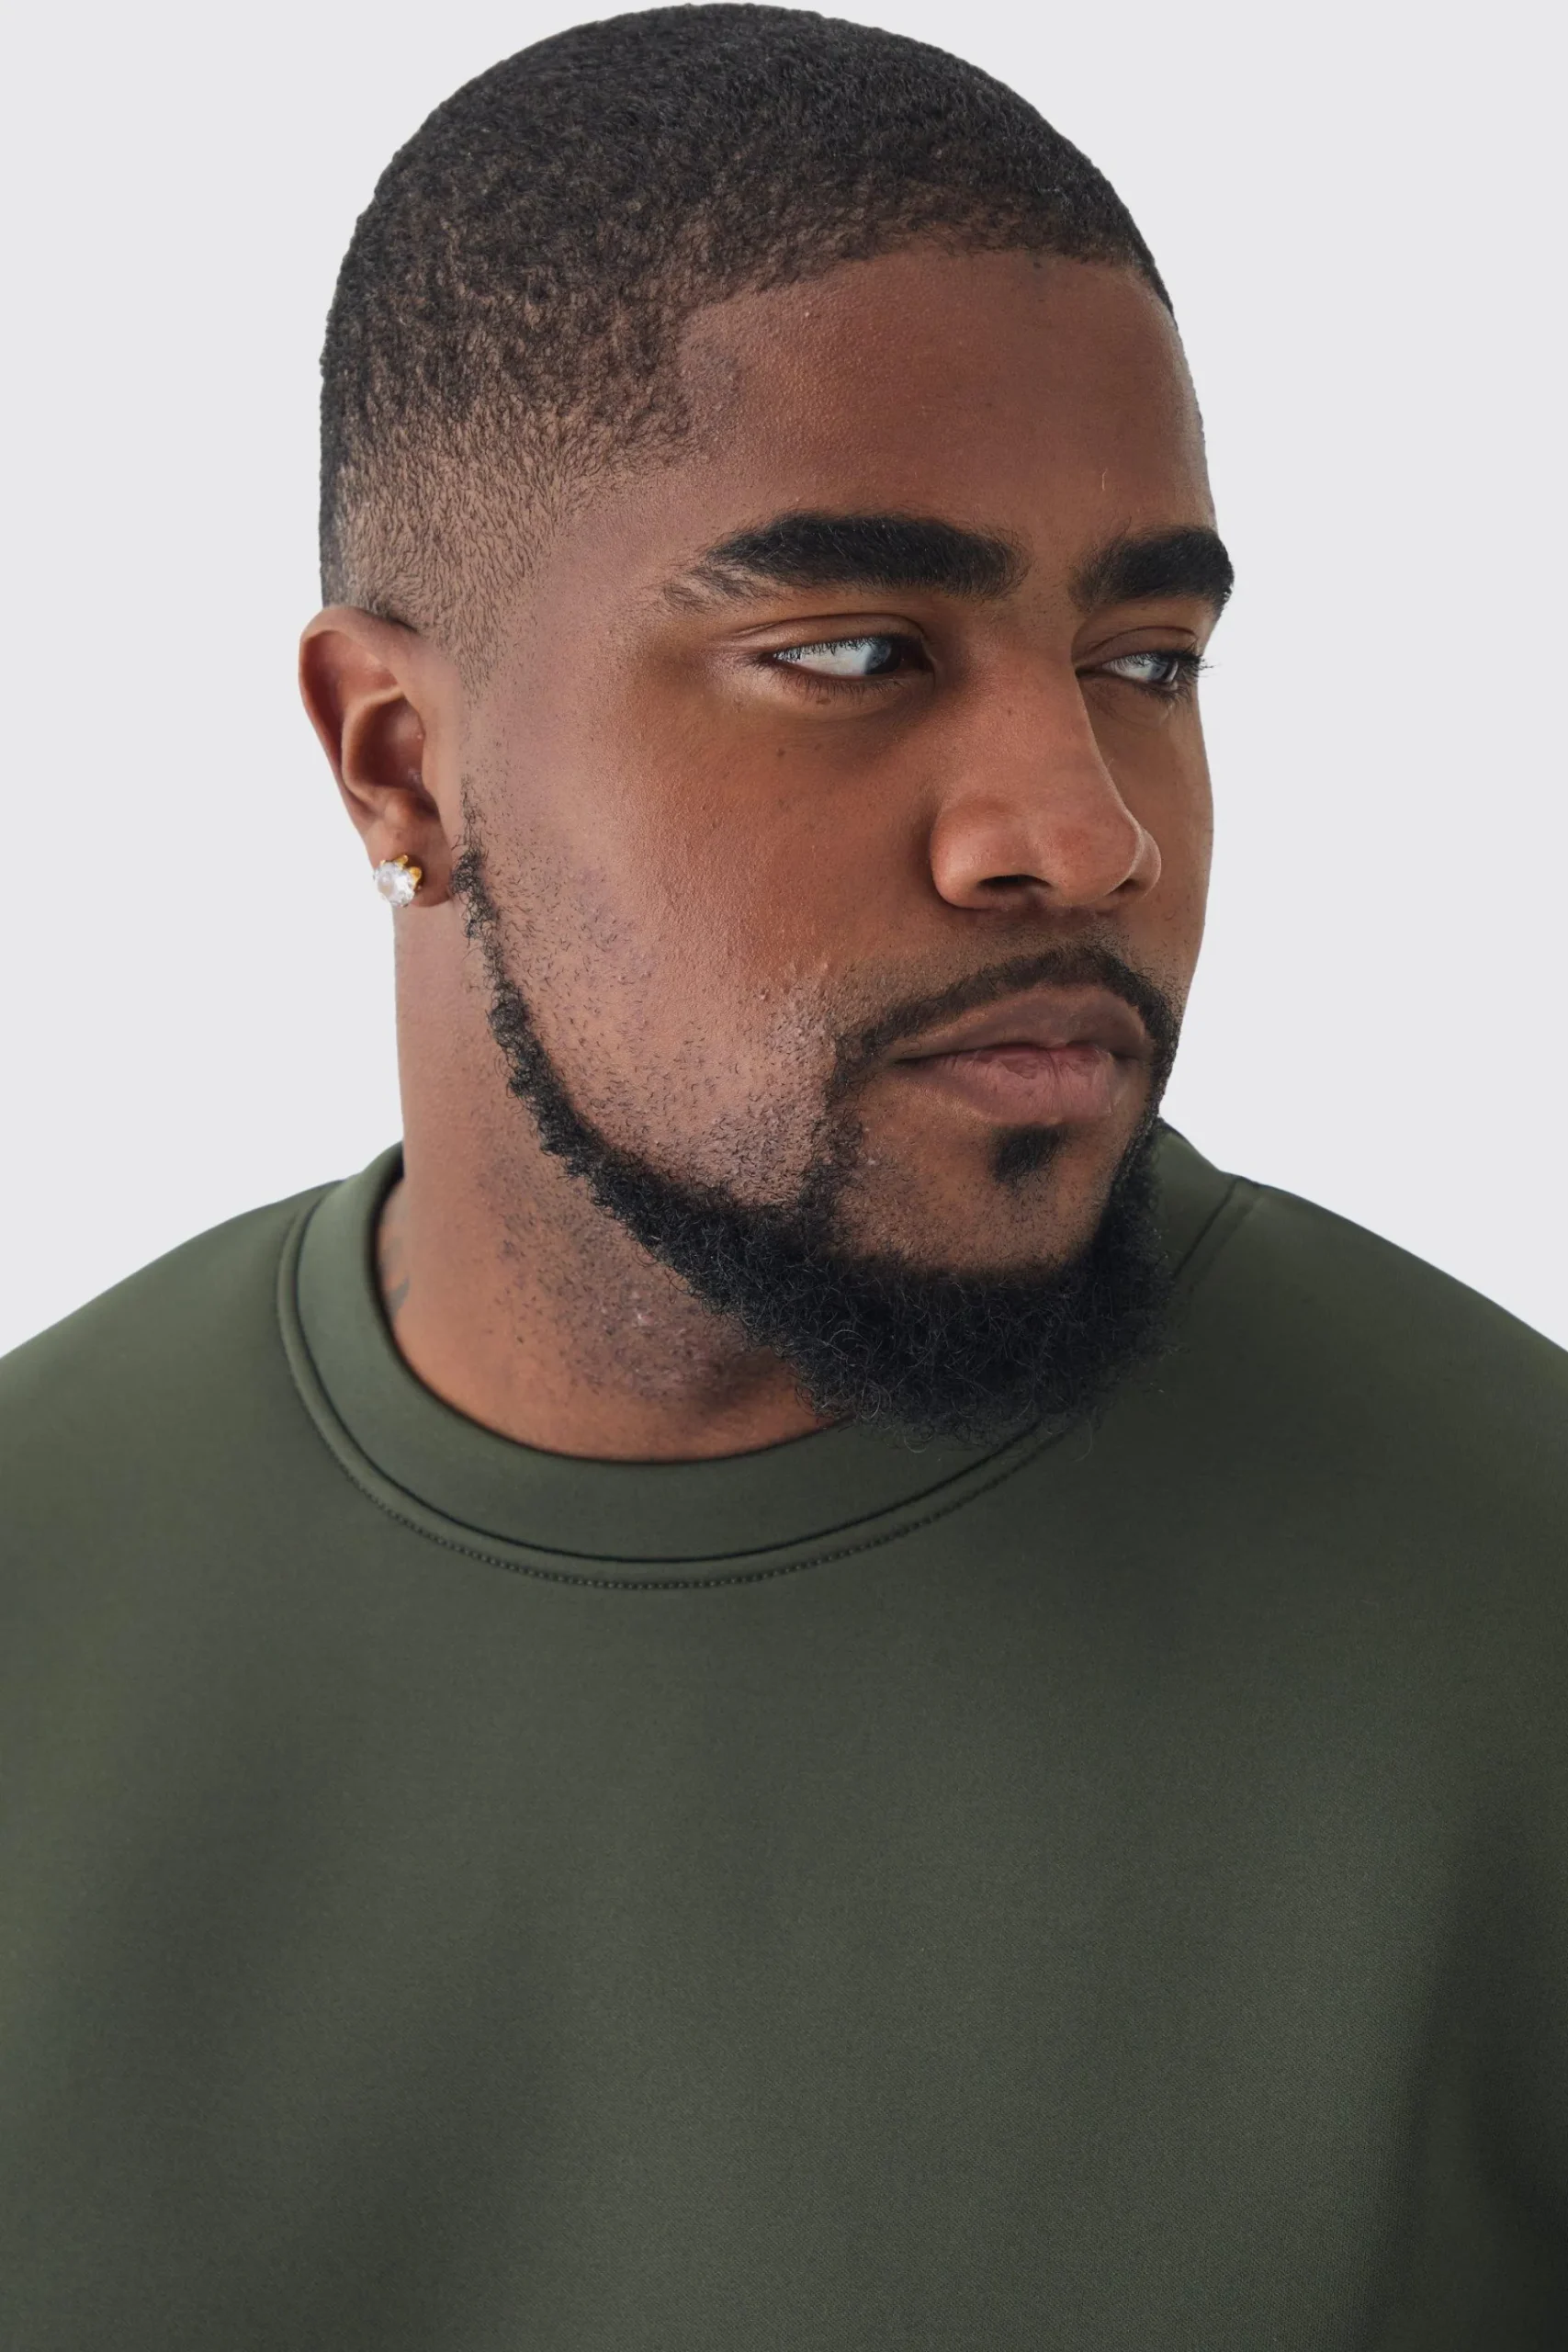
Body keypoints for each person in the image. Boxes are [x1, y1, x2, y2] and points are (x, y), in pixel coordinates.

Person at [1, 7, 1563, 2344]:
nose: (1081, 829)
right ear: (399, 759)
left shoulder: (1513, 1607)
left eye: (1145, 658)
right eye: (851, 647)